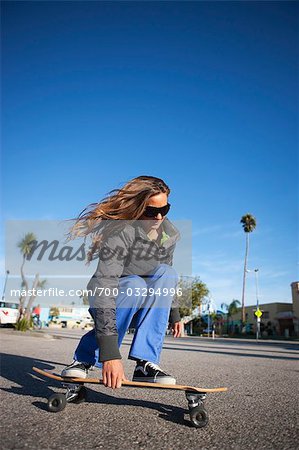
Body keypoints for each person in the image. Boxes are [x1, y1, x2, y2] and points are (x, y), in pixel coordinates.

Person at [61, 175, 184, 388]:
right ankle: (85, 357)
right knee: (135, 285)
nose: (158, 217)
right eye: (151, 211)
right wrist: (110, 355)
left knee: (168, 272)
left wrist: (175, 315)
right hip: (111, 299)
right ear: (137, 209)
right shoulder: (121, 231)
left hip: (144, 306)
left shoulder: (169, 235)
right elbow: (105, 286)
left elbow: (165, 282)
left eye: (164, 210)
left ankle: (145, 363)